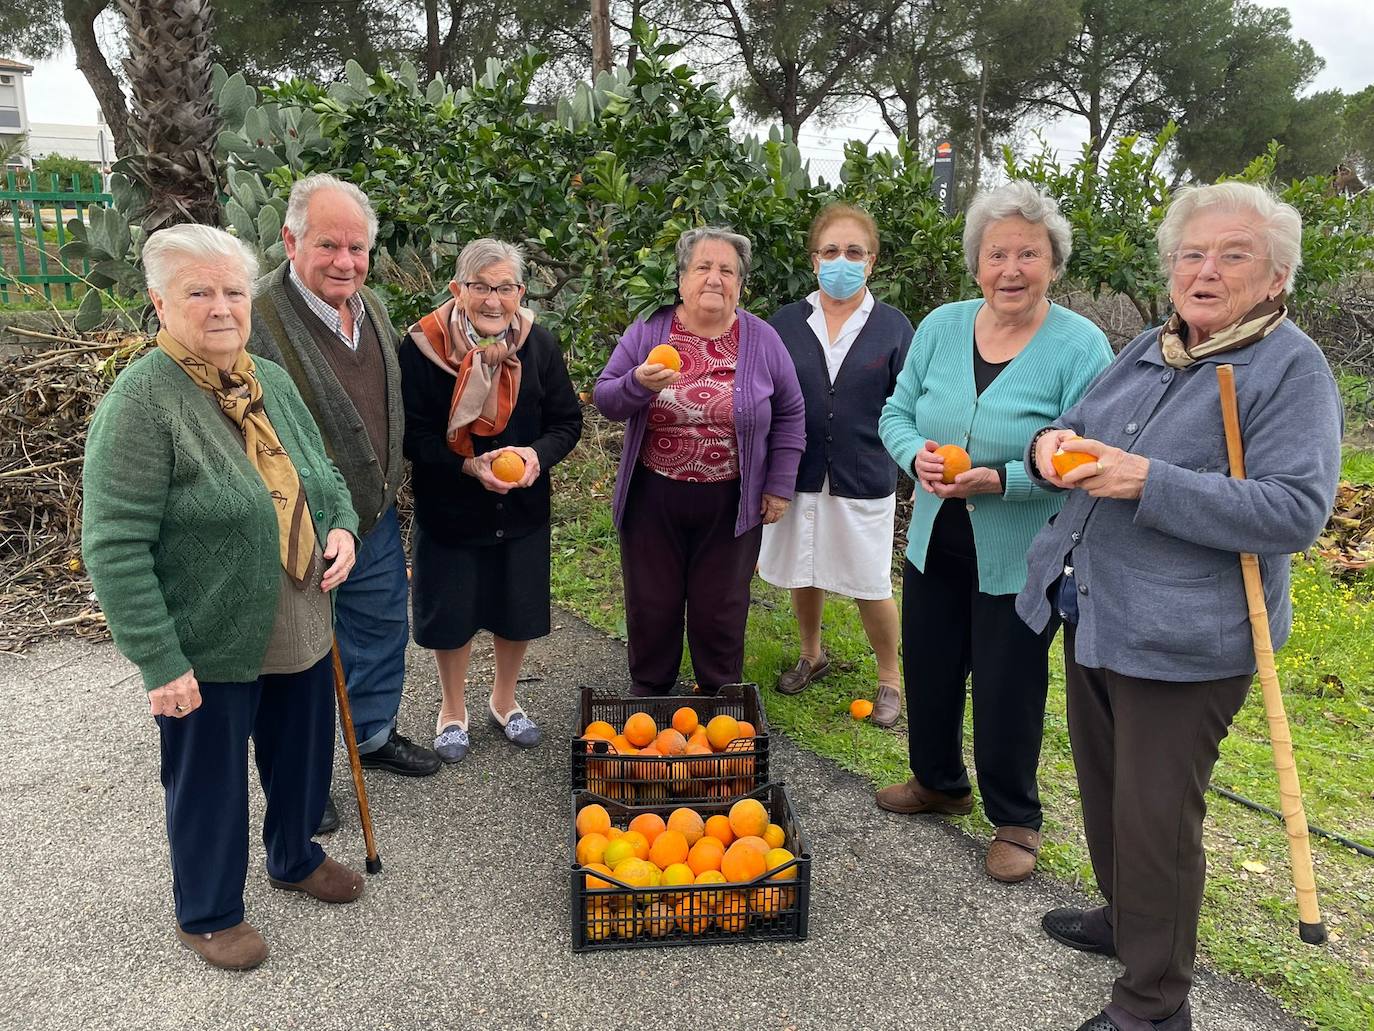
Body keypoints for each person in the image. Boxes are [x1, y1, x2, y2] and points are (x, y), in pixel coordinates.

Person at [1018, 182, 1341, 1031]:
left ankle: (1154, 1003)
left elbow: (1293, 512)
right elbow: (1074, 422)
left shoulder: (1289, 368)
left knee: (1157, 820)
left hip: (1190, 637)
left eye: (1233, 255)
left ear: (1274, 276)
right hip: (1097, 609)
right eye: (1192, 254)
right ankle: (1129, 921)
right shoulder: (1155, 348)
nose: (1206, 270)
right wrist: (1050, 443)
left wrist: (1143, 479)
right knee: (1107, 794)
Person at [82, 224, 365, 971]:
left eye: (234, 291)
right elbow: (113, 543)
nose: (221, 307)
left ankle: (295, 855)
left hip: (300, 614)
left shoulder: (263, 375)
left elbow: (323, 475)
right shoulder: (143, 403)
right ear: (158, 302)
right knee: (208, 778)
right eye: (198, 292)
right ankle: (207, 912)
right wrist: (159, 660)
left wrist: (341, 529)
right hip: (208, 636)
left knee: (302, 754)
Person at [875, 181, 1113, 883]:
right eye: (997, 253)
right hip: (934, 537)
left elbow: (1088, 453)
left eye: (1028, 254)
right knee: (930, 662)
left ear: (1053, 263)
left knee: (1009, 683)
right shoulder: (942, 326)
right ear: (977, 263)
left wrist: (1001, 479)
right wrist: (912, 453)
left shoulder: (1081, 346)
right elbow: (896, 412)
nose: (1011, 268)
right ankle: (939, 781)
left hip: (1023, 549)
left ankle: (1016, 819)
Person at [249, 173, 439, 832]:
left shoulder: (372, 306)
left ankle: (372, 736)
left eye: (357, 248)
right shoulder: (257, 319)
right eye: (329, 245)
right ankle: (301, 778)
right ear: (290, 239)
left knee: (382, 629)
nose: (345, 261)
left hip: (373, 516)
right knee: (299, 656)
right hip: (299, 528)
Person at [594, 226, 806, 696]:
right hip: (654, 494)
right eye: (703, 267)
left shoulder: (762, 339)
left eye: (726, 270)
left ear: (740, 283)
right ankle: (649, 690)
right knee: (653, 601)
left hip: (732, 498)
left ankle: (718, 695)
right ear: (682, 277)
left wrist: (779, 484)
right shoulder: (650, 330)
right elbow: (606, 398)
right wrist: (639, 384)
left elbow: (792, 412)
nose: (714, 278)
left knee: (721, 605)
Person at [399, 239, 582, 761]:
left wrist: (535, 455)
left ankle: (504, 701)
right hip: (451, 508)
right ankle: (452, 710)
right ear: (458, 289)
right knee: (452, 613)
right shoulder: (422, 348)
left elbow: (567, 421)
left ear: (521, 292)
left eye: (505, 287)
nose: (493, 300)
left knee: (514, 607)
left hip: (519, 509)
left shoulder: (537, 345)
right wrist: (466, 465)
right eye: (480, 286)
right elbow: (410, 434)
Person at [758, 203, 913, 725]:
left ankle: (890, 679)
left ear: (870, 262)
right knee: (806, 566)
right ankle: (812, 654)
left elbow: (907, 401)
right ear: (814, 259)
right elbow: (769, 395)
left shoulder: (893, 327)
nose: (841, 261)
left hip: (863, 473)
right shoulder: (785, 322)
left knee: (871, 582)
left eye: (853, 252)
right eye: (830, 251)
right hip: (798, 470)